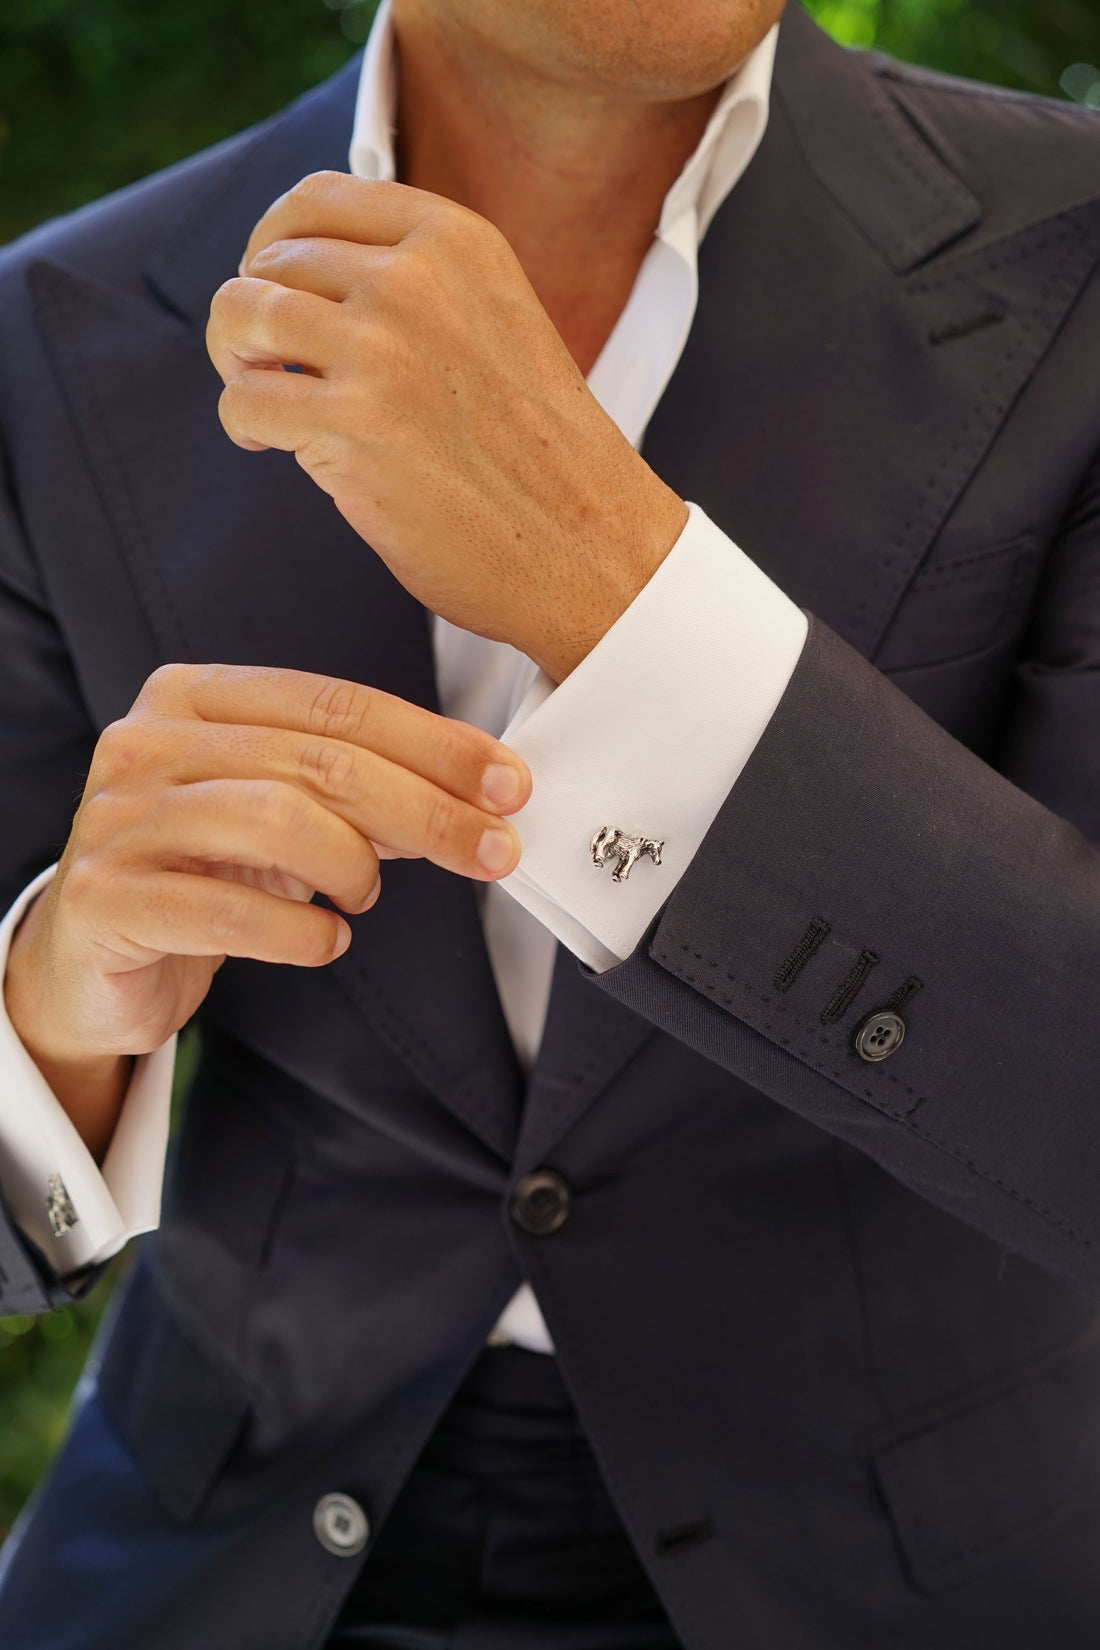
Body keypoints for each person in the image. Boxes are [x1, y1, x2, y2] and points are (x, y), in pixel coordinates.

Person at [0, 0, 1098, 1643]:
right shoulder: (49, 331)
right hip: (227, 1555)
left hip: (910, 1571)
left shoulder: (1077, 261)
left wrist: (622, 595)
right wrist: (54, 1011)